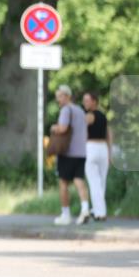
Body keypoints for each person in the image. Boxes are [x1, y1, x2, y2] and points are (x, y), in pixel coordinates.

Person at [51, 85, 91, 225]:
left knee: (63, 182)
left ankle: (65, 214)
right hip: (81, 152)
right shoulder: (80, 111)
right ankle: (85, 209)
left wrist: (54, 127)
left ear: (67, 96)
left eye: (60, 97)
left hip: (68, 152)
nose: (58, 100)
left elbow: (63, 128)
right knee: (79, 180)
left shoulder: (66, 110)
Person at [82, 91, 111, 222]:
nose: (85, 103)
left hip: (91, 147)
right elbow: (109, 135)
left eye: (87, 100)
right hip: (103, 148)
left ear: (94, 101)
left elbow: (81, 132)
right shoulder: (104, 116)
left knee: (94, 183)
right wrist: (109, 152)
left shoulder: (88, 116)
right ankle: (97, 210)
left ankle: (100, 213)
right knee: (101, 183)